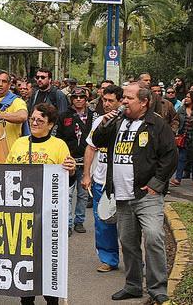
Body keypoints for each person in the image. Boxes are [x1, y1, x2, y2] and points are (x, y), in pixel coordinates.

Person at [0, 102, 75, 305]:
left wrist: (71, 169)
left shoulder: (58, 145)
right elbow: (8, 173)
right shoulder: (20, 143)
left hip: (49, 215)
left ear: (50, 125)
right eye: (32, 119)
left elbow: (68, 180)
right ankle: (27, 300)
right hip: (22, 214)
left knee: (48, 261)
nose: (34, 122)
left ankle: (52, 300)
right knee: (25, 262)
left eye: (40, 120)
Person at [91, 82, 176, 304]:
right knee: (128, 243)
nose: (124, 101)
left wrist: (156, 184)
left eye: (129, 98)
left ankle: (157, 287)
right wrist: (105, 123)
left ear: (144, 102)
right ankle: (133, 285)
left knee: (154, 237)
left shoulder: (156, 125)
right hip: (121, 195)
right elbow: (98, 141)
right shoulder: (117, 121)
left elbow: (170, 157)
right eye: (124, 98)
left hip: (146, 195)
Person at [83, 84, 123, 273]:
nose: (106, 104)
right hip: (101, 181)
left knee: (127, 225)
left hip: (123, 183)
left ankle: (133, 260)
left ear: (120, 101)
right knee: (102, 222)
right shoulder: (98, 121)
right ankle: (108, 259)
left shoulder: (128, 122)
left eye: (111, 101)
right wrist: (86, 175)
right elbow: (91, 147)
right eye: (104, 100)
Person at [56, 87, 95, 236]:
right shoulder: (63, 116)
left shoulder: (94, 115)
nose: (78, 99)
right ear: (71, 99)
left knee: (83, 194)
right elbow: (58, 137)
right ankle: (68, 223)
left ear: (86, 99)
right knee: (67, 194)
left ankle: (79, 221)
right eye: (75, 97)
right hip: (68, 160)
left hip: (86, 161)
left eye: (81, 97)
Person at [170, 90, 193, 187]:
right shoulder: (182, 109)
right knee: (181, 158)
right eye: (186, 97)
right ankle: (177, 179)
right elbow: (176, 120)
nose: (186, 99)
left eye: (188, 97)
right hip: (183, 137)